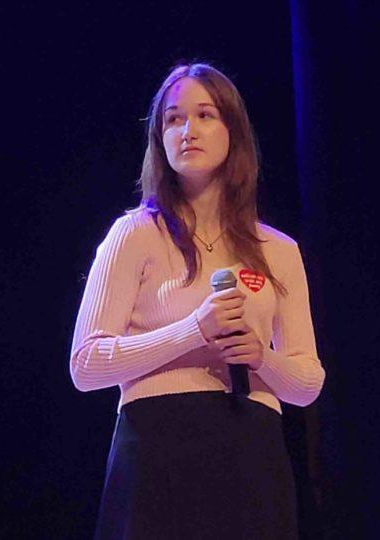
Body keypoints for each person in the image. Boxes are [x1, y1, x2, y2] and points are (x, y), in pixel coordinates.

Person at [69, 63, 326, 539]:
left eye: (205, 115)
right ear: (159, 139)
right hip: (156, 448)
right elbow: (85, 365)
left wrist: (262, 358)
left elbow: (307, 383)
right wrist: (192, 330)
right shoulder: (134, 234)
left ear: (233, 130)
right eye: (173, 119)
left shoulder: (279, 250)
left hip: (250, 451)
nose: (188, 130)